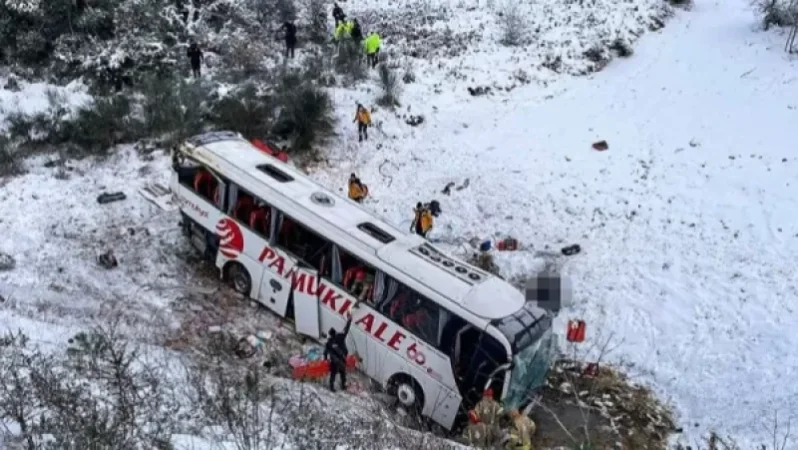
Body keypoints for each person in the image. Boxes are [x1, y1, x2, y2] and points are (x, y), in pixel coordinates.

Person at [324, 314, 353, 392]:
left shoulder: (329, 341)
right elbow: (346, 330)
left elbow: (325, 351)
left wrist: (325, 359)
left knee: (335, 373)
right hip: (340, 358)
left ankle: (332, 386)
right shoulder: (340, 336)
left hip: (336, 359)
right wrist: (349, 320)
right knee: (342, 372)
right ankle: (342, 385)